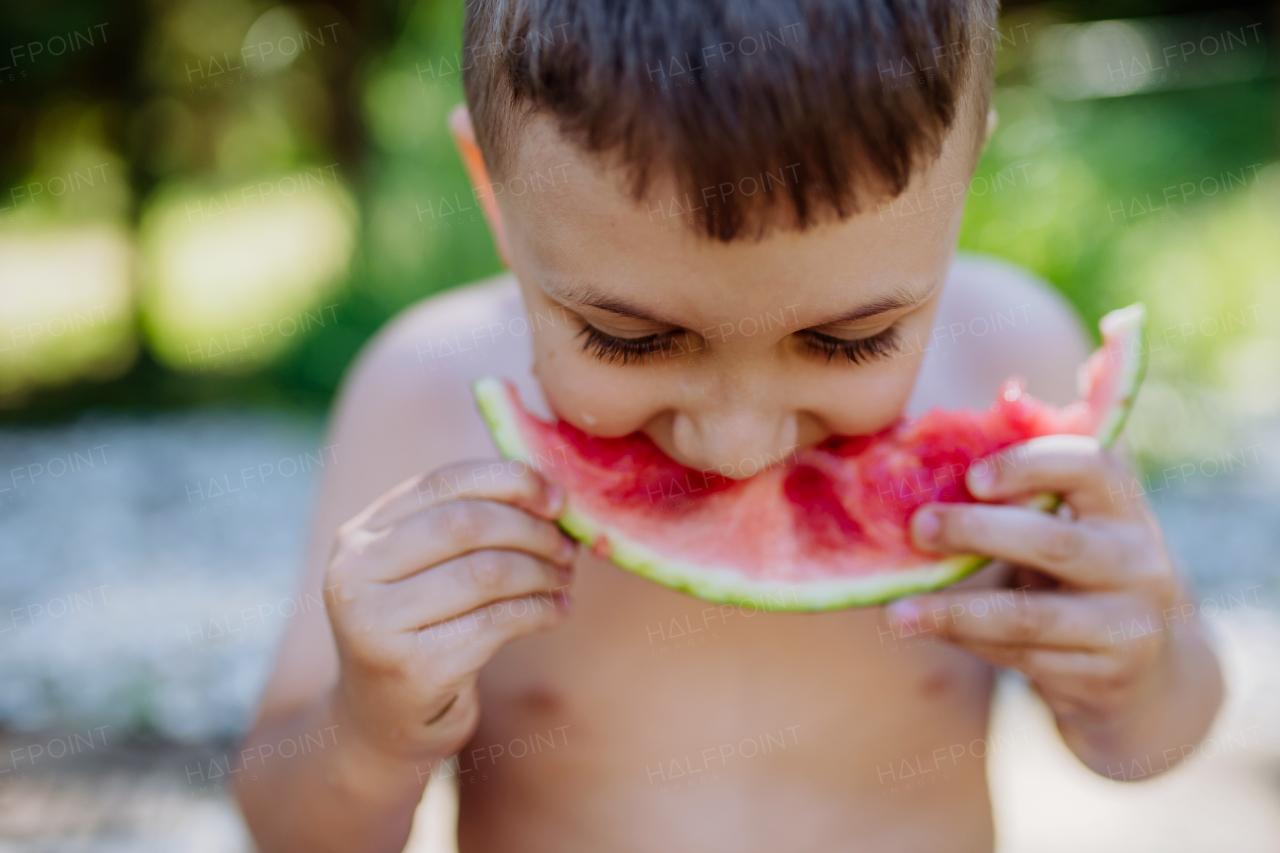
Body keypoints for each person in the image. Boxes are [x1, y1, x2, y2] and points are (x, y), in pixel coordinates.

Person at [236, 1, 1223, 850]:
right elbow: (289, 823)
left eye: (848, 340)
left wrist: (1138, 667)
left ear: (958, 181)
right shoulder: (422, 395)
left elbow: (1151, 745)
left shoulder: (1018, 347)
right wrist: (368, 734)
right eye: (627, 338)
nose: (737, 444)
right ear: (494, 189)